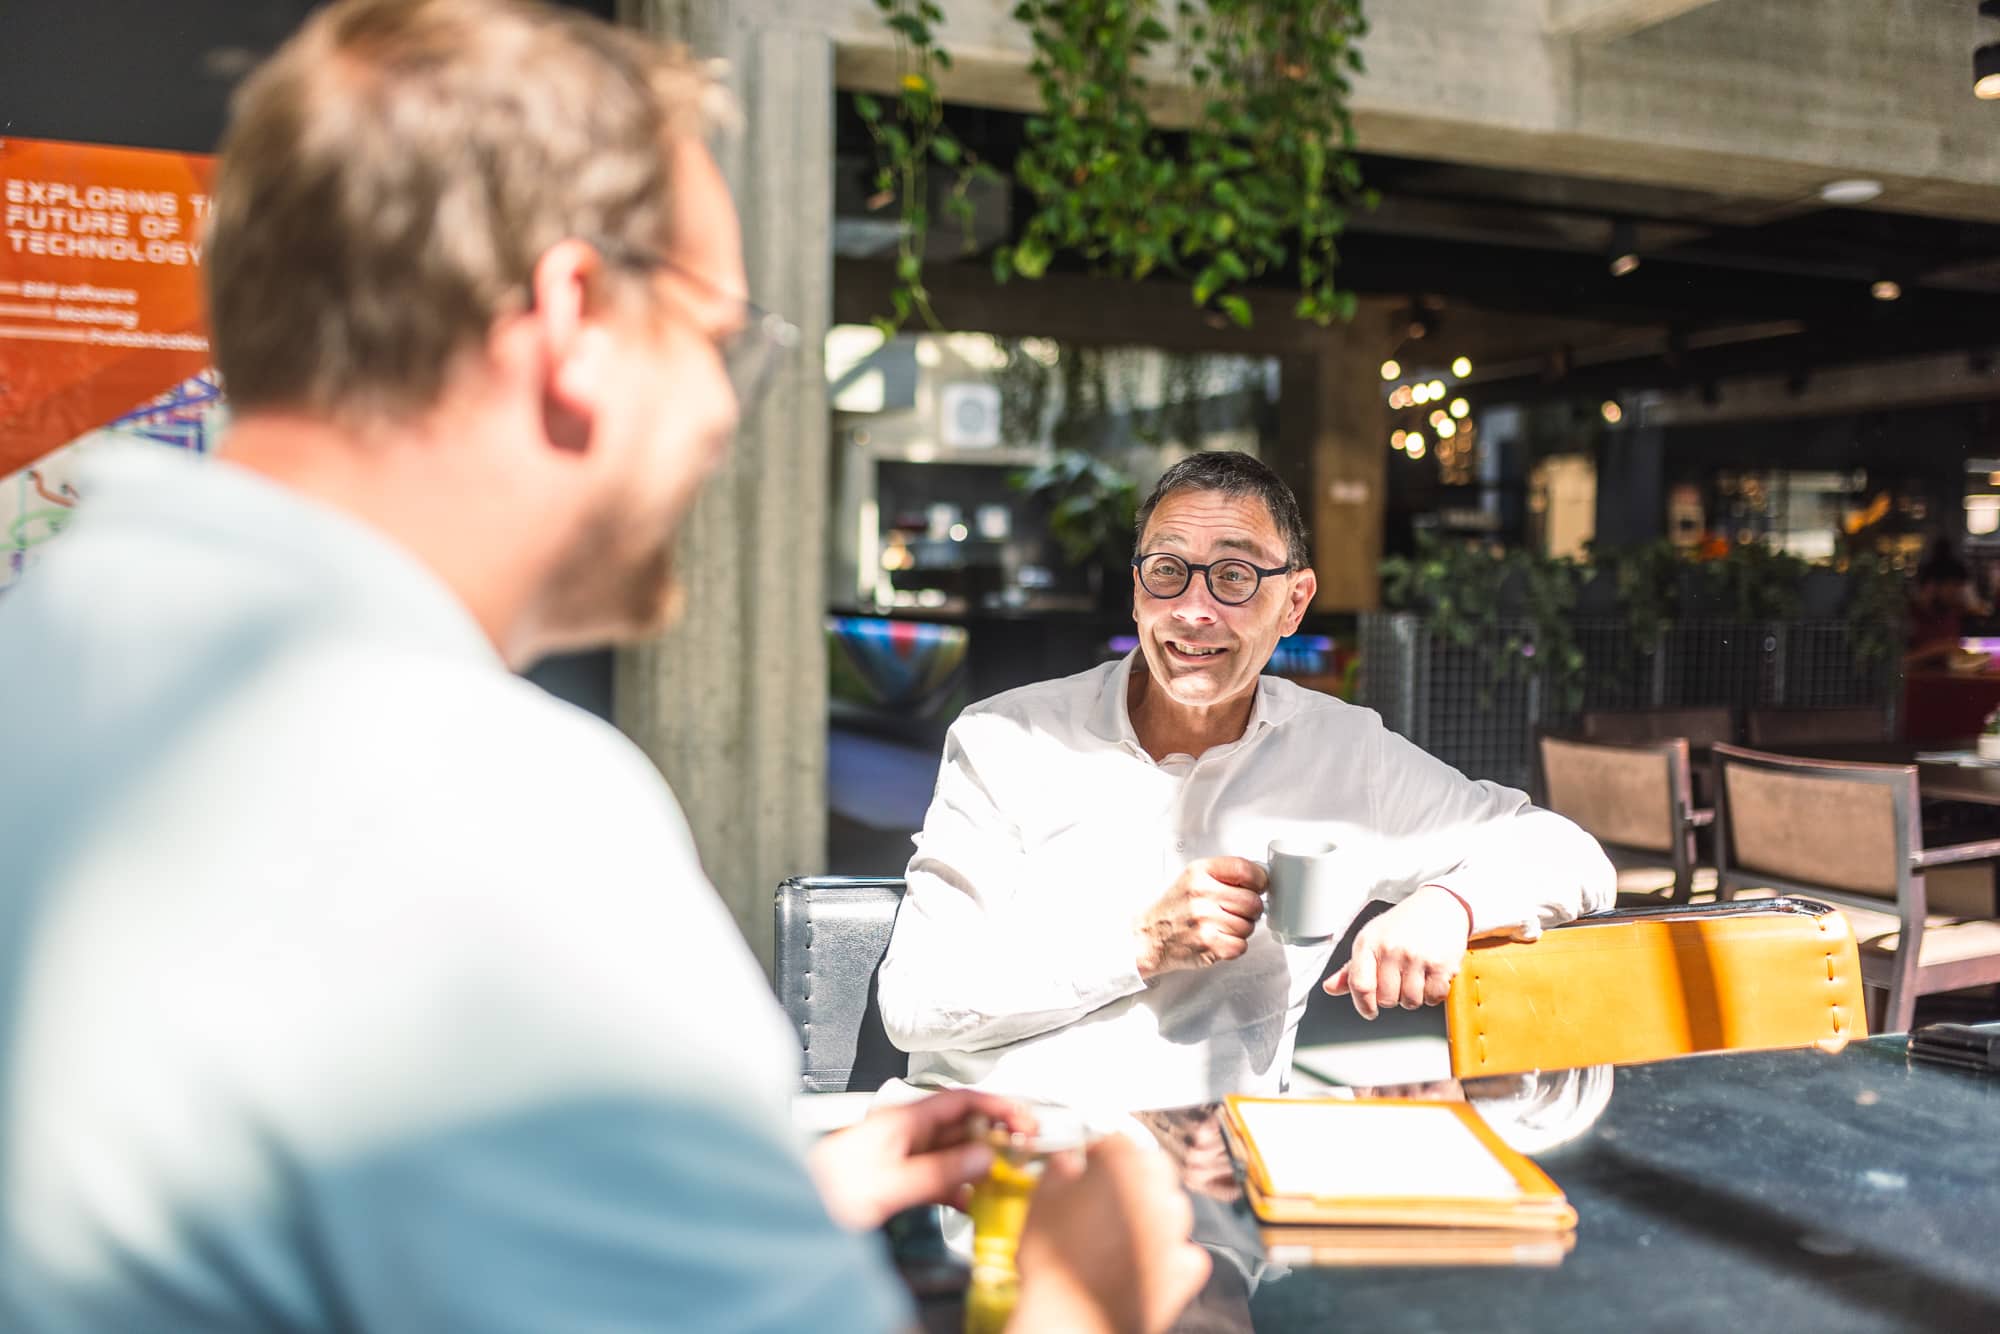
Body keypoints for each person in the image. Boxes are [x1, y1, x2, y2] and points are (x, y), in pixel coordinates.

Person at [0, 3, 1208, 1331]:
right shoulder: (486, 802)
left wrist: (750, 1216)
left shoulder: (55, 646)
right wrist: (1084, 1299)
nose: (726, 409)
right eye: (714, 337)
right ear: (575, 314)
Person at [876, 451, 1616, 1112]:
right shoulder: (1007, 739)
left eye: (1234, 576)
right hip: (997, 1149)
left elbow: (1568, 853)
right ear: (1137, 591)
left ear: (1293, 603)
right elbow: (914, 1003)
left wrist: (1449, 904)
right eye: (1167, 571)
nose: (1193, 609)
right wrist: (1140, 944)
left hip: (1212, 1182)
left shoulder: (1342, 751)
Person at [1904, 537, 1986, 671]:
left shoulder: (1950, 614)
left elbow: (1950, 653)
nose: (1956, 596)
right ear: (1931, 587)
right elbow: (1893, 666)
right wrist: (1936, 649)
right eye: (1952, 589)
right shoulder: (1905, 616)